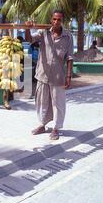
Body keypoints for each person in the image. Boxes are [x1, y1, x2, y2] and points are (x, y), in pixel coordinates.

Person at [25, 10, 74, 140]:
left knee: (58, 103)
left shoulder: (68, 37)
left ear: (62, 21)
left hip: (58, 76)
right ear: (51, 20)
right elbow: (29, 39)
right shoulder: (43, 33)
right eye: (54, 19)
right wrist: (27, 28)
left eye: (59, 19)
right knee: (41, 101)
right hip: (42, 74)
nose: (56, 22)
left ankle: (56, 128)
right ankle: (42, 124)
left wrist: (68, 77)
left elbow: (69, 58)